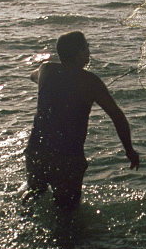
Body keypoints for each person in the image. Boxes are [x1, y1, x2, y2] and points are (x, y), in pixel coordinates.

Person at [25, 31, 140, 210]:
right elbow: (117, 116)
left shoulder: (46, 70)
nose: (89, 50)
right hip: (67, 157)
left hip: (36, 151)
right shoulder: (90, 81)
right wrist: (129, 150)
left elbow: (33, 76)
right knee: (67, 212)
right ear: (80, 53)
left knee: (34, 195)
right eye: (86, 47)